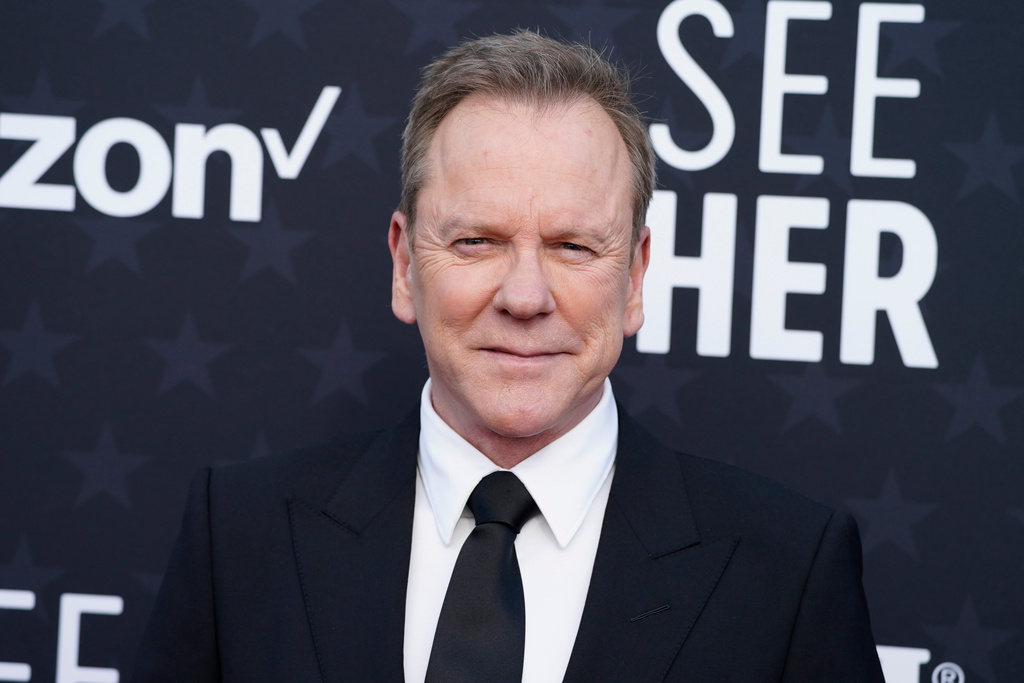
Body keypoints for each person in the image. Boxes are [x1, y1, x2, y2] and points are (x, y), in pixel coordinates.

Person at [133, 31, 885, 682]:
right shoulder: (238, 536)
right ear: (404, 266)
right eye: (476, 241)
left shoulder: (788, 574)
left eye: (572, 246)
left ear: (636, 275)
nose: (525, 295)